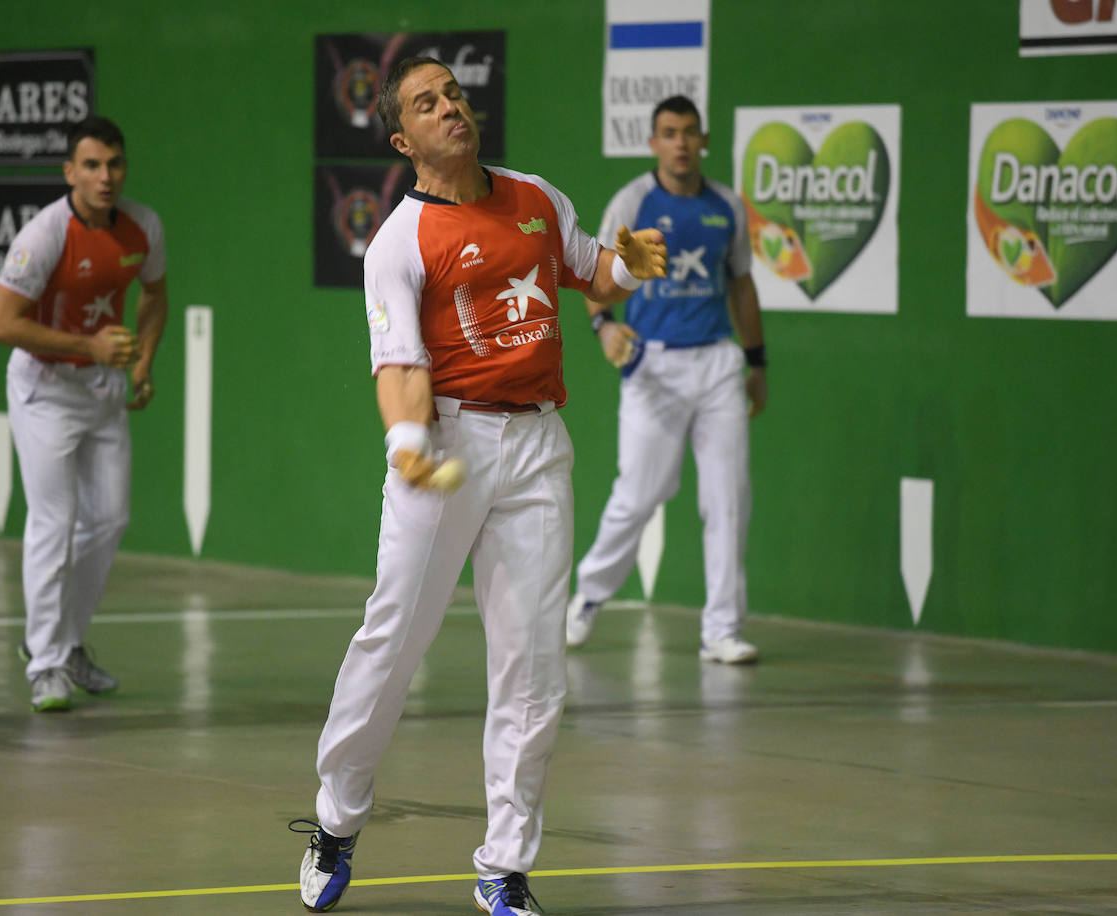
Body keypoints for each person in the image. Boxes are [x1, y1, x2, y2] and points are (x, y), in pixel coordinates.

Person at [293, 57, 665, 916]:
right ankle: (336, 821)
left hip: (539, 445)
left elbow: (593, 272)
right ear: (403, 139)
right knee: (392, 641)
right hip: (448, 445)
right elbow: (398, 365)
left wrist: (632, 263)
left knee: (535, 667)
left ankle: (504, 868)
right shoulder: (397, 241)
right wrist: (409, 443)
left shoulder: (534, 195)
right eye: (428, 103)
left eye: (453, 93)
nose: (451, 107)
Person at [565, 95, 767, 665]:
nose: (680, 142)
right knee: (639, 494)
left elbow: (743, 285)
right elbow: (594, 272)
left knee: (729, 498)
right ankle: (589, 597)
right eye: (669, 132)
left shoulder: (726, 205)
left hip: (717, 366)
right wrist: (604, 326)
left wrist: (757, 363)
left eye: (689, 133)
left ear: (704, 141)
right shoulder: (633, 200)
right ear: (654, 142)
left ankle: (721, 629)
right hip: (651, 367)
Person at [0, 116, 168, 712]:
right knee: (54, 523)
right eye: (91, 166)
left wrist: (140, 365)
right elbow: (1, 325)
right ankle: (46, 666)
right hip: (43, 390)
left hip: (103, 388)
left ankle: (62, 641)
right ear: (70, 173)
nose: (105, 176)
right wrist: (86, 347)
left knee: (110, 520)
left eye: (114, 164)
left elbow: (156, 296)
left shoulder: (143, 227)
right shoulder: (43, 237)